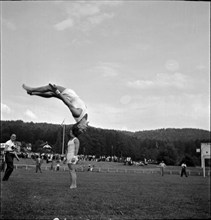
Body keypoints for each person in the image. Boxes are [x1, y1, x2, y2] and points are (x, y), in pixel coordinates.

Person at [22, 83, 89, 134]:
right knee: (52, 94)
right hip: (73, 97)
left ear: (79, 125)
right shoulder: (84, 119)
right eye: (84, 130)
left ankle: (31, 89)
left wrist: (57, 91)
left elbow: (67, 103)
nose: (85, 129)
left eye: (83, 129)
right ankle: (33, 93)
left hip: (70, 96)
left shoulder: (77, 114)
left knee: (50, 88)